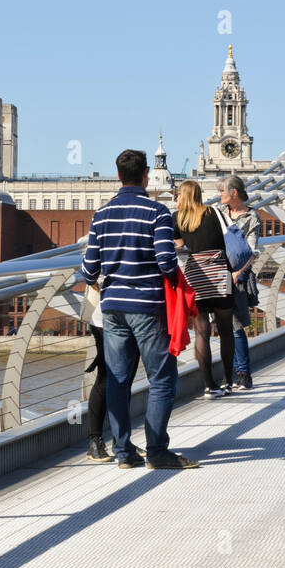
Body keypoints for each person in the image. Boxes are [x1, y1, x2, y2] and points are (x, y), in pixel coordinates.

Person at [81, 149, 197, 469]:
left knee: (118, 380)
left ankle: (123, 452)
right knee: (162, 378)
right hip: (147, 307)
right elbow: (165, 262)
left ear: (118, 176)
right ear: (145, 174)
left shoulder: (101, 216)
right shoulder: (157, 212)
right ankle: (157, 451)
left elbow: (89, 269)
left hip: (113, 307)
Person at [173, 180, 236, 400]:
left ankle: (209, 385)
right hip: (219, 272)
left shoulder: (177, 218)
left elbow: (179, 246)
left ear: (184, 196)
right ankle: (229, 381)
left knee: (202, 332)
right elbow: (227, 238)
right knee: (226, 330)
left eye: (178, 194)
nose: (176, 198)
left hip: (195, 276)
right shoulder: (213, 213)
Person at [84, 284, 140, 462]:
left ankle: (121, 441)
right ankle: (95, 441)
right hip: (104, 318)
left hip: (135, 315)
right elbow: (89, 271)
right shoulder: (98, 253)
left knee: (127, 379)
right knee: (106, 377)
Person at [218, 174, 261, 391]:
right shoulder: (218, 214)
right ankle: (232, 374)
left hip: (237, 277)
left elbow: (253, 252)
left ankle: (243, 374)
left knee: (236, 325)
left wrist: (238, 272)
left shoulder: (252, 218)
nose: (219, 195)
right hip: (217, 274)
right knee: (223, 326)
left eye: (222, 191)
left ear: (234, 193)